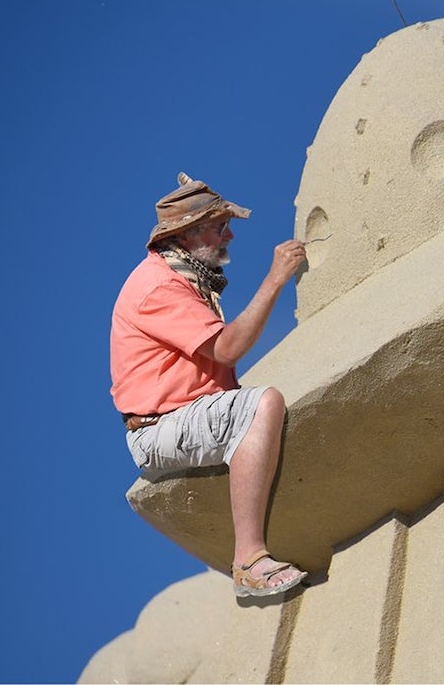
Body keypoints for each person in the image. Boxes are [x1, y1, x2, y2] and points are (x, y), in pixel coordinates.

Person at [110, 172, 308, 599]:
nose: (230, 235)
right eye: (221, 226)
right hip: (158, 431)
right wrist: (276, 279)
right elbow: (228, 348)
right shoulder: (158, 286)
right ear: (191, 233)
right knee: (260, 404)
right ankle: (250, 560)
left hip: (180, 419)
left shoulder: (181, 277)